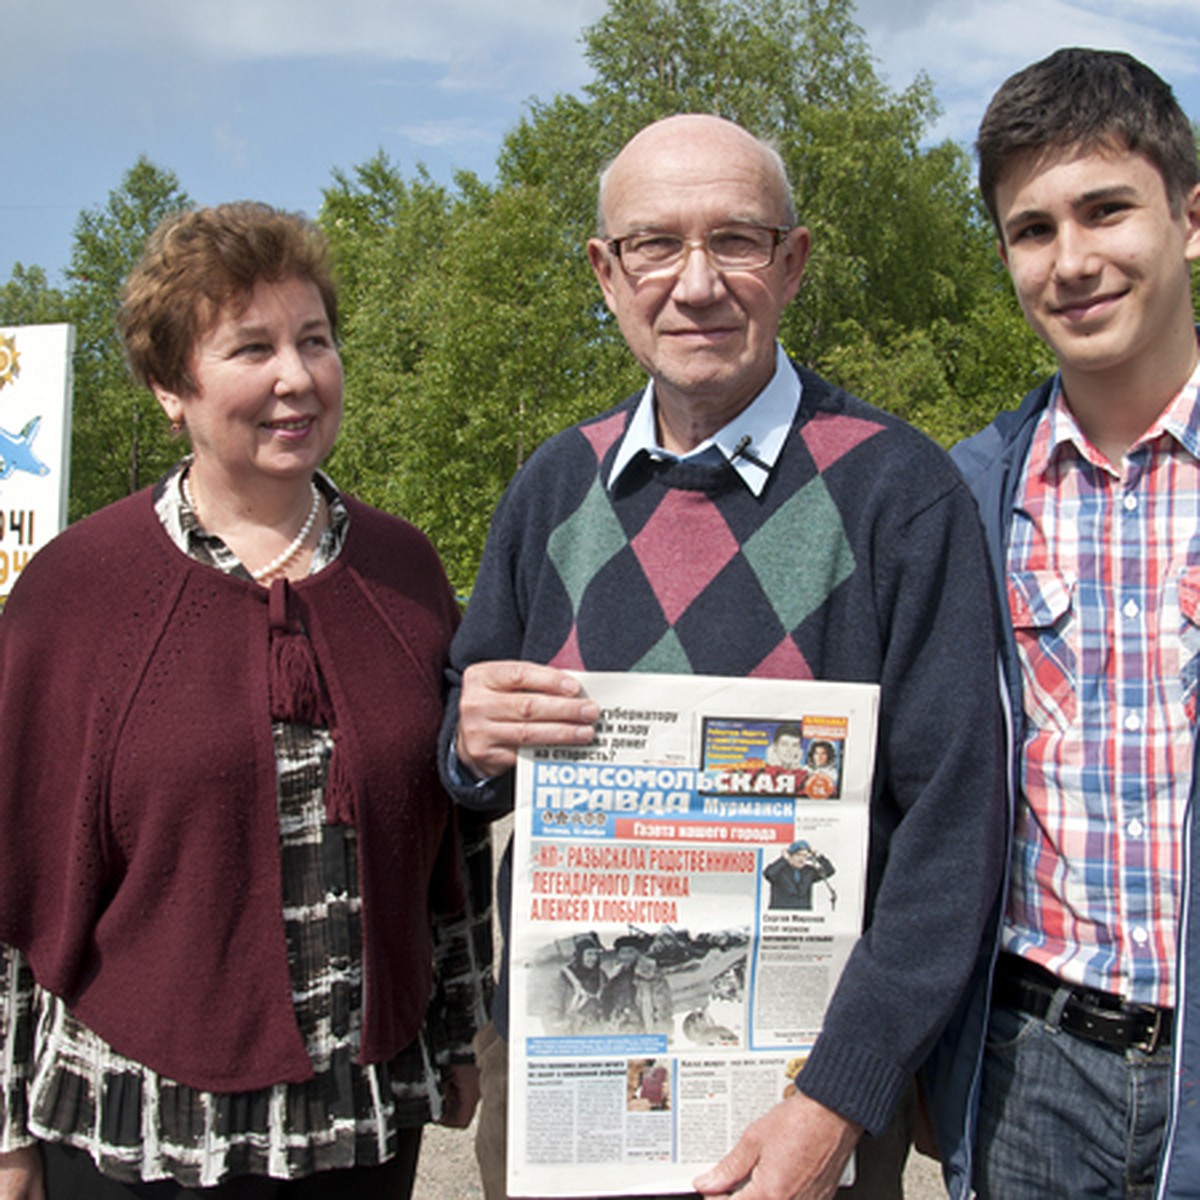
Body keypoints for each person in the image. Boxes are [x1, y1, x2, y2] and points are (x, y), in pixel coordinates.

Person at [441, 113, 1006, 1200]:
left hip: (797, 1094)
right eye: (655, 244)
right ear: (606, 273)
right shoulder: (552, 487)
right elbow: (459, 748)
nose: (695, 284)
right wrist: (467, 743)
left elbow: (955, 828)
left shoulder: (901, 493)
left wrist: (843, 1093)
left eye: (737, 241)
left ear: (792, 264)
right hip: (567, 1078)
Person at [0, 202, 490, 1199]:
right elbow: (10, 878)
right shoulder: (76, 589)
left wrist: (456, 1031)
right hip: (139, 1130)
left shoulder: (403, 571)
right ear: (168, 387)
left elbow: (448, 839)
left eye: (315, 340)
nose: (296, 377)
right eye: (251, 348)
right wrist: (4, 1132)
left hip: (360, 1125)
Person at [950, 48, 1200, 1198]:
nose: (1073, 260)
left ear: (1190, 219)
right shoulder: (963, 496)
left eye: (1107, 210)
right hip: (1030, 1066)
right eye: (1032, 228)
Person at [550, 942, 606, 1035]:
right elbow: (554, 1002)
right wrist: (558, 1022)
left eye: (596, 954)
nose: (593, 958)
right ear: (580, 956)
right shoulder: (565, 976)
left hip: (597, 1025)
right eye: (589, 954)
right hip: (573, 1027)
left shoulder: (601, 976)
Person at [762, 841, 836, 911]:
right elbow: (768, 874)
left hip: (802, 917)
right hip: (781, 917)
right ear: (790, 856)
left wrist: (817, 854)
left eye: (804, 856)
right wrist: (783, 859)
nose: (801, 859)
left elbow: (830, 870)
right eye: (798, 855)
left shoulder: (809, 871)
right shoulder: (780, 870)